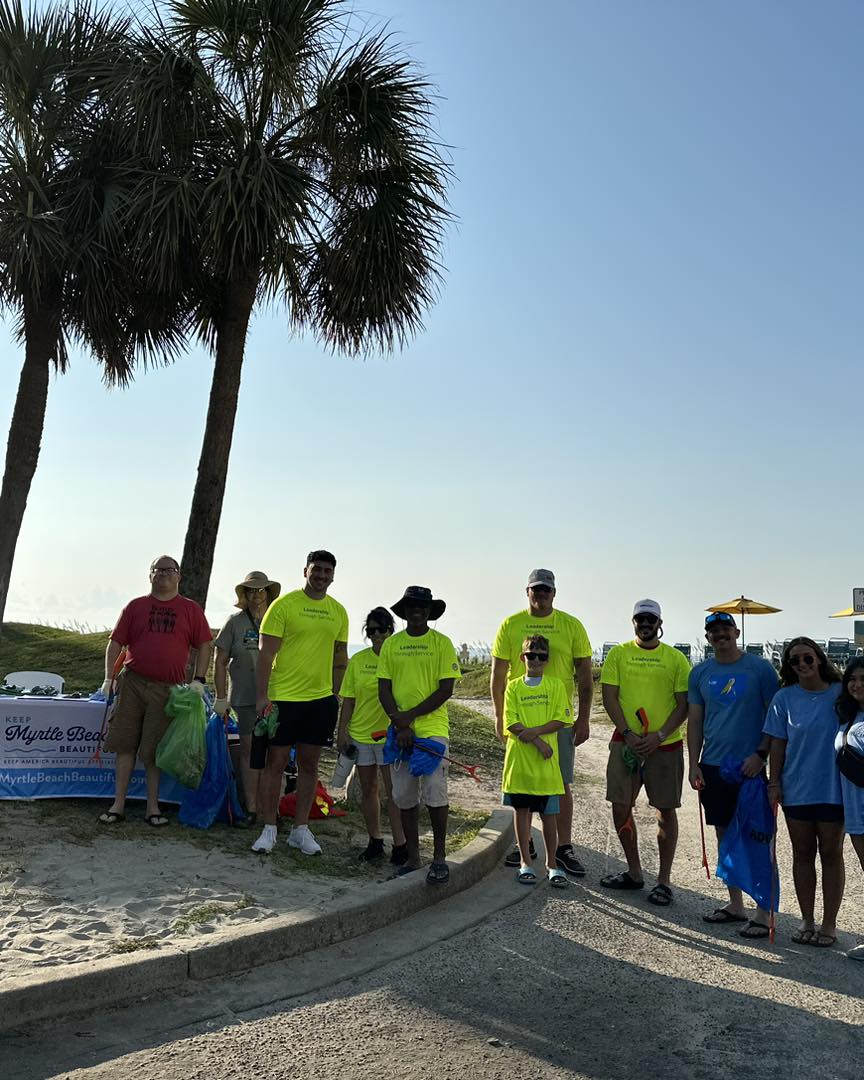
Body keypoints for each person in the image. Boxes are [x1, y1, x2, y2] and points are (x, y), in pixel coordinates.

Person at [99, 555, 213, 827]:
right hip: (133, 684)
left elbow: (206, 645)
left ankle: (153, 808)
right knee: (125, 745)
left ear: (179, 576)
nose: (163, 574)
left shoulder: (190, 609)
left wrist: (199, 679)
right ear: (149, 576)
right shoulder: (135, 607)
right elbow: (115, 643)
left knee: (154, 751)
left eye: (169, 570)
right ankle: (118, 805)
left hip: (168, 690)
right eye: (157, 570)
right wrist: (108, 678)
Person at [492, 569, 593, 875]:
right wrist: (499, 717)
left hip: (556, 722)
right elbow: (497, 675)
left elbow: (585, 677)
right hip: (522, 719)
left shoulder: (571, 625)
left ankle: (563, 847)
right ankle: (528, 846)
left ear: (554, 593)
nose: (541, 594)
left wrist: (584, 718)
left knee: (560, 784)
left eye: (546, 590)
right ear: (527, 592)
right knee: (524, 783)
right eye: (536, 589)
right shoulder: (510, 625)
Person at [687, 611, 779, 937]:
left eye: (726, 628)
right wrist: (693, 763)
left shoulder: (760, 669)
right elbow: (695, 721)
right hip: (713, 766)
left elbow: (774, 718)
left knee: (757, 836)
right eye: (714, 630)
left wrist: (761, 755)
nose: (720, 634)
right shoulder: (700, 672)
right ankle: (736, 903)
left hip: (750, 767)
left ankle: (764, 910)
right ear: (708, 636)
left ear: (736, 631)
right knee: (725, 835)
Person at [253, 550, 349, 855]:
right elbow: (265, 654)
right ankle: (269, 828)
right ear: (305, 571)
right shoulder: (284, 606)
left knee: (310, 765)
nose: (321, 575)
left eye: (327, 571)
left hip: (319, 701)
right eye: (316, 569)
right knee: (276, 764)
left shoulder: (338, 612)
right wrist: (261, 696)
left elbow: (340, 657)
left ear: (333, 576)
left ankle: (300, 829)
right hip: (283, 699)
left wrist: (335, 694)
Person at [600, 600, 690, 905]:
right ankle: (634, 871)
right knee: (620, 806)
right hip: (625, 743)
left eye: (651, 618)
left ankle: (663, 881)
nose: (646, 623)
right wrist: (627, 732)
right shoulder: (619, 654)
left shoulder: (676, 659)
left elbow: (683, 704)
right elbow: (609, 696)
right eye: (641, 618)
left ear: (660, 622)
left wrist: (660, 734)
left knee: (665, 810)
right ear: (633, 621)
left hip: (665, 745)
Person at [764, 637, 843, 948]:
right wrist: (774, 783)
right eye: (795, 661)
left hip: (834, 789)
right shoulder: (784, 698)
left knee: (831, 854)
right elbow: (777, 745)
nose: (802, 665)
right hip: (796, 789)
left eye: (807, 658)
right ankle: (807, 919)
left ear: (819, 659)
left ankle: (830, 923)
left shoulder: (841, 694)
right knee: (802, 855)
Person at [378, 585, 460, 884]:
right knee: (404, 796)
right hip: (400, 733)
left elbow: (446, 689)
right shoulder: (391, 645)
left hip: (433, 731)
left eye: (422, 606)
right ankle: (414, 858)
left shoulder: (442, 643)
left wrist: (409, 718)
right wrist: (400, 725)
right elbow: (383, 688)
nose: (417, 610)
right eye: (412, 605)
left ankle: (439, 858)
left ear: (429, 611)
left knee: (435, 792)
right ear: (404, 609)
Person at [336, 606, 408, 864]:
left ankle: (400, 843)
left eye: (382, 629)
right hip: (361, 734)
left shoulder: (399, 660)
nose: (376, 634)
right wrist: (341, 731)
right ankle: (375, 840)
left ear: (391, 630)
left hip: (388, 736)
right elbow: (349, 700)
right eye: (371, 630)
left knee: (395, 791)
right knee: (369, 789)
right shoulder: (358, 661)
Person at [500, 634, 570, 888]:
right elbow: (511, 721)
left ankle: (552, 864)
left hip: (546, 767)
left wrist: (535, 732)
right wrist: (538, 741)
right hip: (520, 764)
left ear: (547, 660)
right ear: (523, 657)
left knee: (549, 816)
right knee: (522, 813)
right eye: (531, 655)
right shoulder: (514, 687)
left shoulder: (555, 686)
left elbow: (561, 718)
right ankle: (525, 862)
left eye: (541, 656)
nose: (536, 660)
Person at [213, 571, 281, 823]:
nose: (257, 595)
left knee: (275, 754)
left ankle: (270, 808)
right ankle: (252, 808)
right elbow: (219, 661)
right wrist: (220, 697)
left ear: (269, 594)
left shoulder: (279, 621)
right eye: (251, 590)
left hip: (276, 697)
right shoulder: (234, 622)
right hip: (244, 696)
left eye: (262, 590)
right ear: (244, 594)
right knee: (250, 751)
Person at [834, 658, 864, 960]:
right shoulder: (848, 716)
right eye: (852, 678)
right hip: (855, 810)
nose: (857, 684)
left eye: (863, 679)